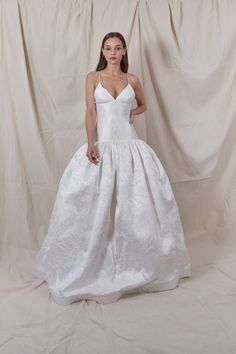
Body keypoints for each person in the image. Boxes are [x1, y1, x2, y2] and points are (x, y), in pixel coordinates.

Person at [33, 32, 191, 305]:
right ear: (103, 52)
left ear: (124, 51)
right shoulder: (93, 77)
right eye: (108, 48)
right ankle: (94, 261)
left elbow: (143, 105)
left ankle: (138, 261)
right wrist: (90, 142)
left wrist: (133, 112)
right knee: (95, 205)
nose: (113, 52)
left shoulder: (132, 80)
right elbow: (90, 111)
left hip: (131, 148)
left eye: (117, 48)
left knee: (135, 207)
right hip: (104, 145)